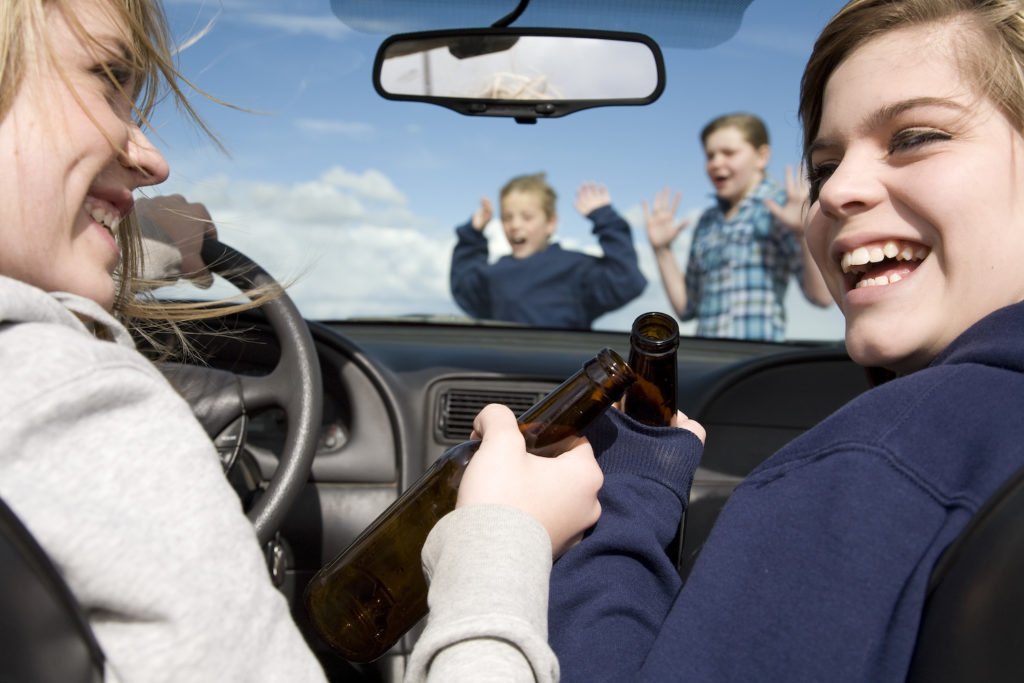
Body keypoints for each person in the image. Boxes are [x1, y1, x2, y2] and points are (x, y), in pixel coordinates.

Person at [406, 0, 1024, 680]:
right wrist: (663, 249)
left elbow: (820, 292)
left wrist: (579, 514)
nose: (838, 190)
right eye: (824, 167)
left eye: (914, 137)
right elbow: (688, 305)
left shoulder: (878, 460)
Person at [0, 1, 328, 680]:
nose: (152, 159)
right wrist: (497, 543)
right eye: (107, 77)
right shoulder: (79, 400)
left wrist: (134, 235)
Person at [644, 112, 832, 340]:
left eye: (729, 153)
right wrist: (662, 250)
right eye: (710, 155)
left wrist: (803, 233)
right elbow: (686, 308)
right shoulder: (707, 221)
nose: (716, 163)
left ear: (762, 156)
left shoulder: (781, 209)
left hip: (755, 361)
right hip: (711, 358)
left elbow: (822, 297)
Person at [450, 173, 647, 329]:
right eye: (507, 218)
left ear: (551, 223)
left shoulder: (575, 268)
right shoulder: (496, 272)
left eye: (527, 217)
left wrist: (605, 218)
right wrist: (472, 235)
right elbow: (463, 287)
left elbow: (627, 282)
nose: (515, 225)